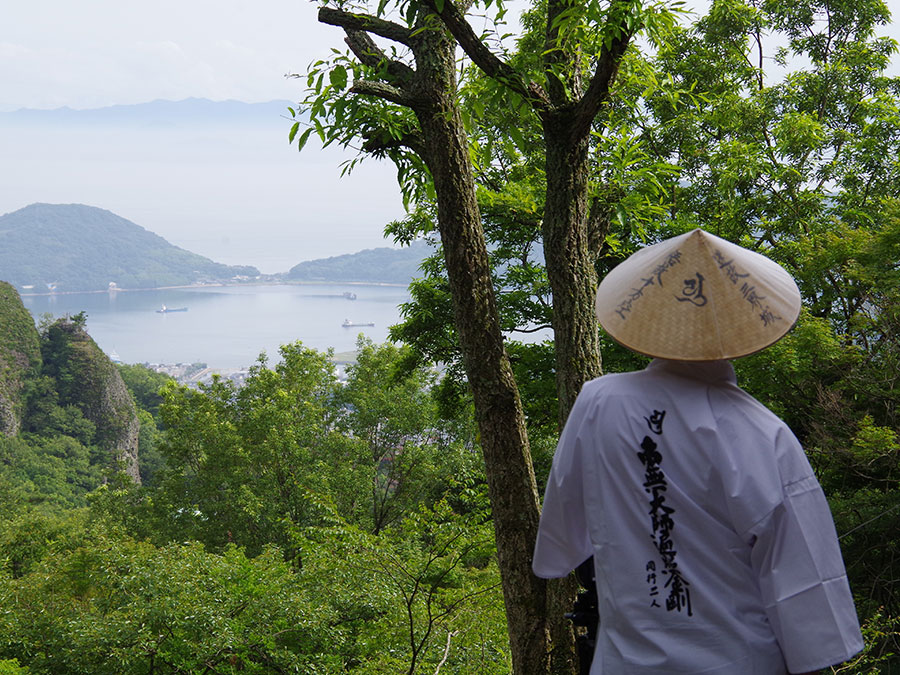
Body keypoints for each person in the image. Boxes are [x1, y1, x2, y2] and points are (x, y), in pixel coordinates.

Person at [533, 229, 864, 674]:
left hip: (624, 660)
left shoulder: (598, 402)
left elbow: (563, 535)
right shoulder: (762, 433)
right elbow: (806, 591)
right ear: (740, 325)